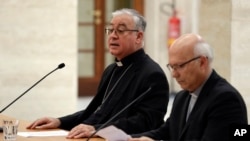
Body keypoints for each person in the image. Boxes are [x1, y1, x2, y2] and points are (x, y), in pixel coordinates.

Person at [27, 8, 169, 139]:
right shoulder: (111, 70)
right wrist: (59, 121)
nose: (113, 36)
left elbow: (146, 122)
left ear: (138, 37)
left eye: (120, 30)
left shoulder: (152, 75)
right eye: (111, 30)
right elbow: (95, 112)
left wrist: (97, 129)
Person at [129, 33, 248, 141]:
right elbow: (166, 132)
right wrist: (130, 139)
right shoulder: (182, 97)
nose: (174, 74)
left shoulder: (225, 99)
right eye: (171, 67)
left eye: (179, 66)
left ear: (202, 62)